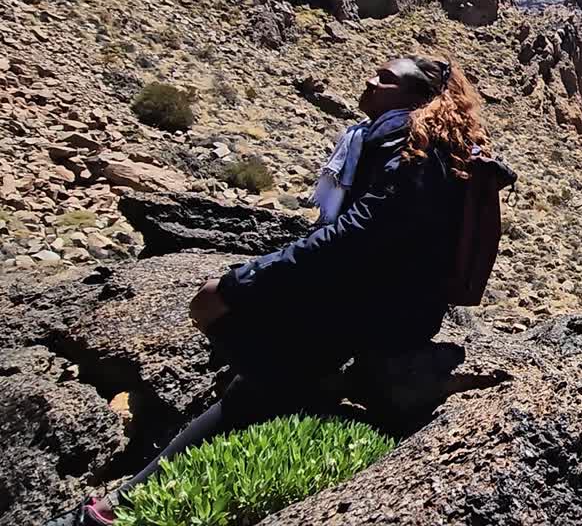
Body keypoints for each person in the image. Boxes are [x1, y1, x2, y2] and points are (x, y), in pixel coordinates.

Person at [48, 56, 489, 525]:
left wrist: (245, 280)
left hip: (370, 306)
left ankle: (109, 512)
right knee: (265, 373)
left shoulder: (400, 135)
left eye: (385, 79)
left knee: (247, 372)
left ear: (415, 97)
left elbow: (361, 232)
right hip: (402, 307)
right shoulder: (434, 142)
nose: (368, 80)